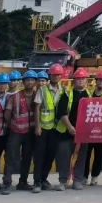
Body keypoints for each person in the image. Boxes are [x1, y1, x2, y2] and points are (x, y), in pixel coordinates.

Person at [1, 69, 38, 193]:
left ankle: (23, 182)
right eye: (27, 80)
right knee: (10, 157)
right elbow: (7, 113)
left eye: (32, 80)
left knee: (27, 158)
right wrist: (12, 125)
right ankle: (7, 182)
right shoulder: (15, 96)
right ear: (23, 82)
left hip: (30, 132)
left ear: (35, 82)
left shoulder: (37, 96)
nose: (29, 82)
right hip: (15, 131)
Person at [54, 67, 91, 190]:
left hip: (83, 134)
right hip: (66, 132)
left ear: (86, 80)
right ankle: (63, 180)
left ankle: (77, 180)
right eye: (78, 78)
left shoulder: (90, 95)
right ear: (73, 80)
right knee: (64, 157)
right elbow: (62, 112)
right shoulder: (66, 95)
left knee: (81, 157)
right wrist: (70, 127)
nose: (80, 80)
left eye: (83, 78)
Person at [32, 63, 64, 193]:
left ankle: (43, 179)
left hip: (56, 129)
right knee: (39, 156)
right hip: (43, 128)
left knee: (50, 156)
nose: (56, 77)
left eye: (58, 75)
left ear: (61, 76)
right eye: (54, 74)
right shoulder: (43, 90)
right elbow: (37, 108)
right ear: (50, 75)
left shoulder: (63, 90)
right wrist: (37, 126)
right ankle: (37, 182)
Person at [84, 71, 102, 186]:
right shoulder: (89, 93)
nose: (101, 82)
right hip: (89, 129)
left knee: (99, 154)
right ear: (96, 81)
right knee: (86, 154)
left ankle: (94, 177)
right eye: (99, 80)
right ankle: (84, 176)